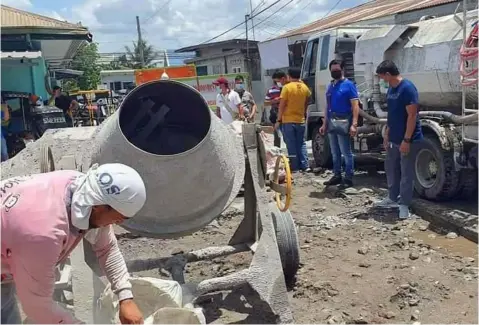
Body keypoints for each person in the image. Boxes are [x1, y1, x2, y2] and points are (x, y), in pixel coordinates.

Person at [1, 163, 147, 324]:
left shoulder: (83, 190)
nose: (118, 222)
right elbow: (37, 306)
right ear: (99, 206)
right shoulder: (43, 233)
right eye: (120, 217)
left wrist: (125, 297)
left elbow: (107, 248)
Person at [374, 60, 423, 219]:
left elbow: (412, 115)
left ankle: (404, 204)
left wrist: (406, 140)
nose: (382, 80)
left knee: (406, 172)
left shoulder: (407, 88)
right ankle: (392, 197)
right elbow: (392, 114)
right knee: (391, 168)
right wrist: (387, 133)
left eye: (382, 77)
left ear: (388, 74)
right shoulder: (391, 90)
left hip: (408, 139)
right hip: (393, 137)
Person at [320, 60, 360, 188]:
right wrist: (324, 123)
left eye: (337, 70)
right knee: (334, 152)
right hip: (332, 122)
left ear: (342, 70)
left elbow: (355, 106)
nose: (334, 72)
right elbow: (327, 106)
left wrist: (354, 124)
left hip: (344, 122)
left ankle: (348, 178)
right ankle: (337, 175)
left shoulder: (349, 85)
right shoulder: (331, 86)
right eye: (332, 70)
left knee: (346, 151)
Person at [276, 67, 311, 172]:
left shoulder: (287, 87)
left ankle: (295, 167)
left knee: (291, 144)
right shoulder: (305, 87)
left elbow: (282, 105)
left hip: (288, 120)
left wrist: (278, 120)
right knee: (301, 143)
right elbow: (307, 100)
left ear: (289, 76)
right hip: (300, 119)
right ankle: (305, 165)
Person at [264, 70, 286, 147]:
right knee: (277, 134)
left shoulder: (288, 88)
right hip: (276, 114)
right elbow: (265, 102)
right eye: (275, 81)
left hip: (287, 114)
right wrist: (274, 101)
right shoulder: (271, 90)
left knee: (287, 135)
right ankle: (278, 149)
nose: (277, 83)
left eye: (278, 81)